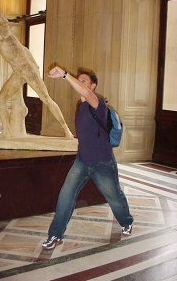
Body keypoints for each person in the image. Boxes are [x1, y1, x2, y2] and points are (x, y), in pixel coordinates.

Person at [42, 66, 133, 250]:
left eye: (84, 81)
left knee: (114, 196)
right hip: (82, 161)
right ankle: (55, 235)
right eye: (79, 80)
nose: (80, 83)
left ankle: (127, 221)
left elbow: (85, 92)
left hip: (102, 162)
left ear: (93, 86)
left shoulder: (98, 103)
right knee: (65, 196)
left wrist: (66, 75)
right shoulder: (81, 106)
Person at [0, 1, 73, 140]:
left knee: (46, 98)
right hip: (19, 73)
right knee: (1, 98)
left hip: (28, 71)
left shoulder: (4, 36)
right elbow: (24, 51)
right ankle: (7, 132)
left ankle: (66, 130)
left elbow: (3, 20)